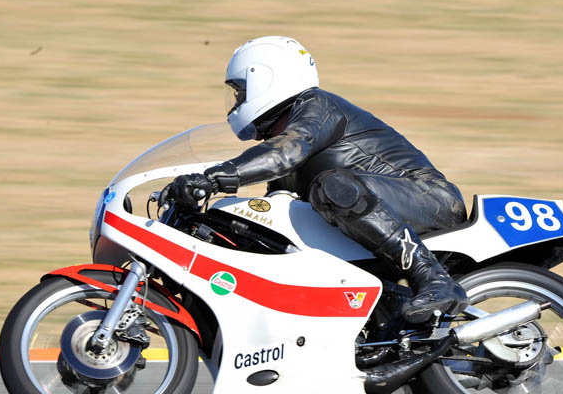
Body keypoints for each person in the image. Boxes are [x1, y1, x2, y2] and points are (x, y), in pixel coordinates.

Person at [161, 36, 468, 323]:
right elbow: (274, 210)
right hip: (375, 216)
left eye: (241, 92)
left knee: (334, 186)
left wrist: (212, 179)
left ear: (267, 79)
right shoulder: (284, 146)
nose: (237, 100)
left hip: (429, 198)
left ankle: (434, 279)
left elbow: (286, 153)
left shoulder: (315, 107)